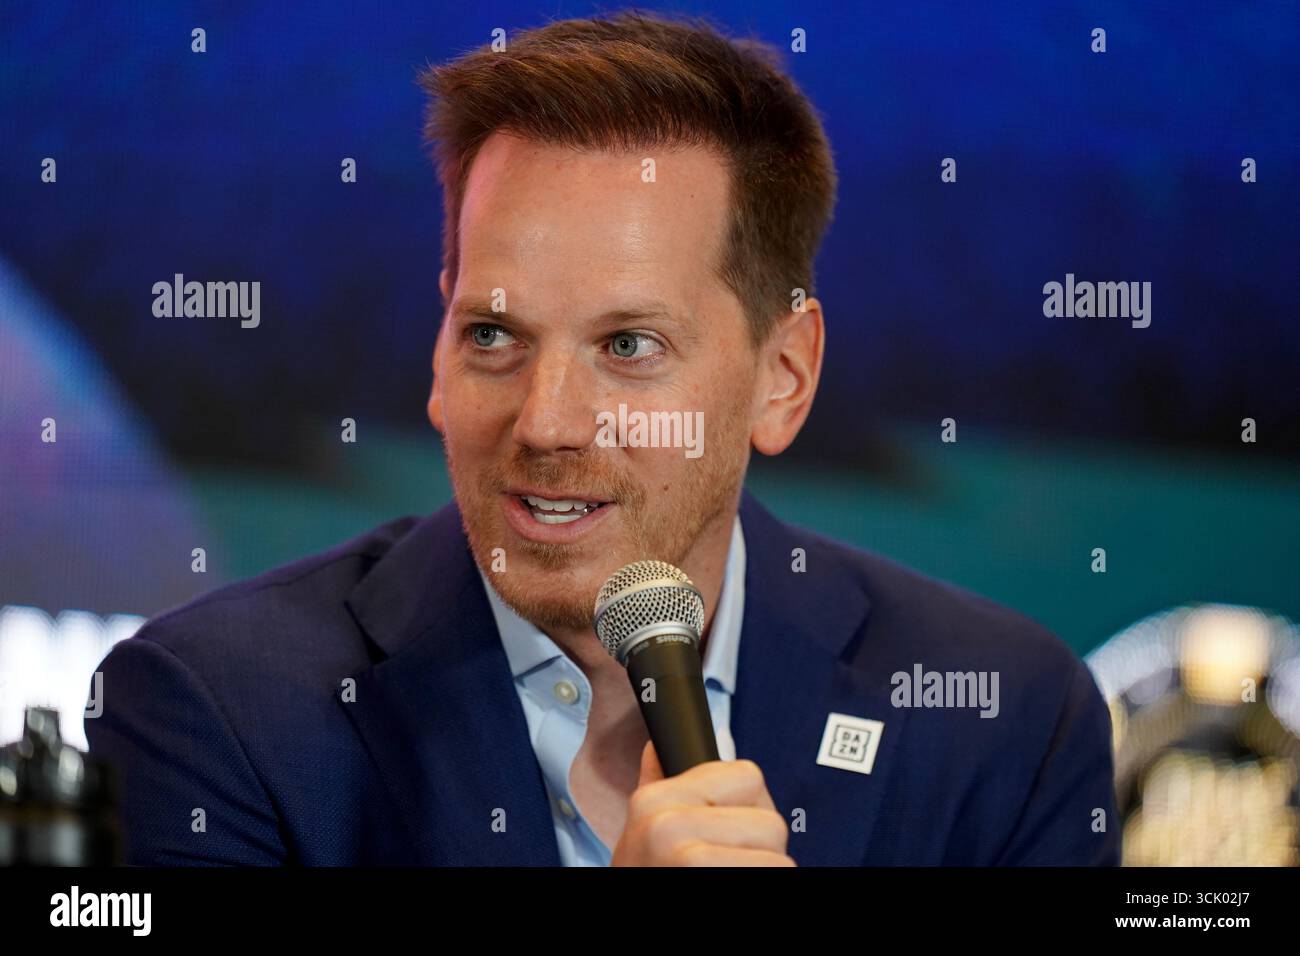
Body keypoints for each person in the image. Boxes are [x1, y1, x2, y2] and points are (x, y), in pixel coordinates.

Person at [86, 11, 1119, 866]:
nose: (544, 422)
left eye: (628, 344)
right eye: (492, 334)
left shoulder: (1001, 720)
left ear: (783, 376)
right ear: (439, 348)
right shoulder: (216, 709)